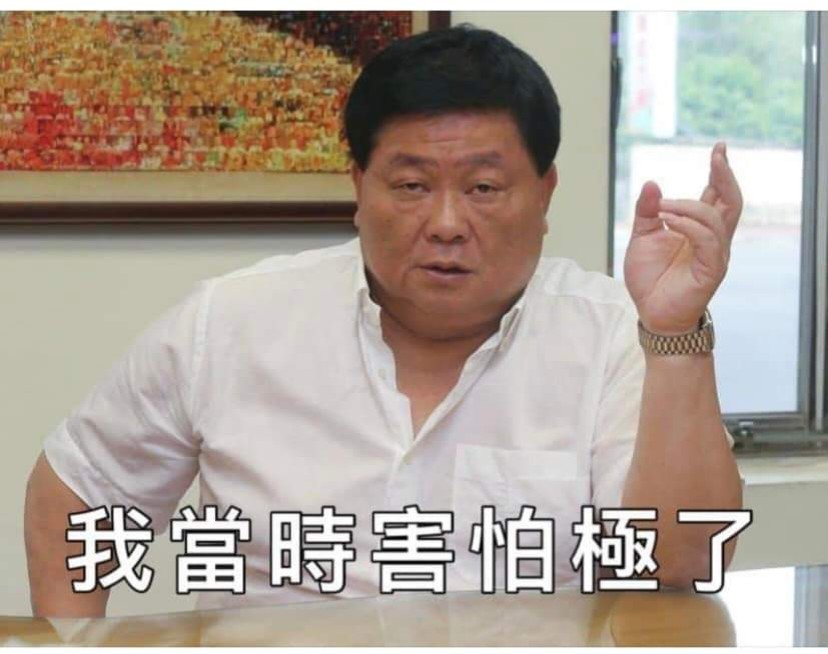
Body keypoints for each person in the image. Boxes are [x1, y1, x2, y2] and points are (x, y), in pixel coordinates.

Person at [24, 24, 743, 617]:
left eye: (484, 187)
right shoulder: (230, 324)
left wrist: (675, 333)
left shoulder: (614, 334)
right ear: (358, 187)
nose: (447, 223)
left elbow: (682, 561)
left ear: (544, 192)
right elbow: (78, 491)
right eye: (411, 185)